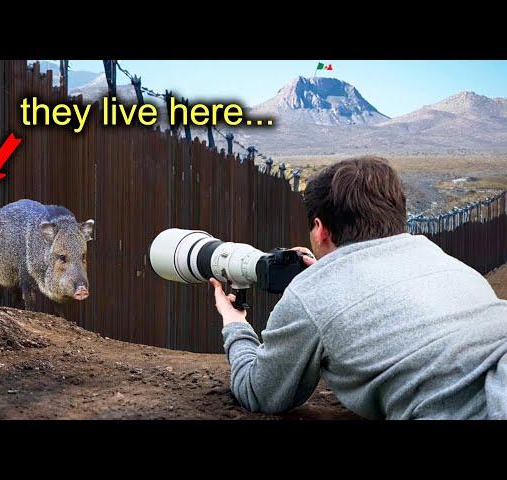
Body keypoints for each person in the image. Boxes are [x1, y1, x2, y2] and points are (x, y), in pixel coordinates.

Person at [209, 156, 507, 420]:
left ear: (320, 228)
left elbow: (257, 392)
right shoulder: (439, 258)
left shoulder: (310, 295)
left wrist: (235, 325)